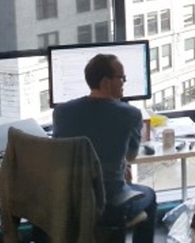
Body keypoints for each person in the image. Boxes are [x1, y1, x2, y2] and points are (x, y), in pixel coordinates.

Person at [53, 54, 156, 243]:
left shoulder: (62, 112)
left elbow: (59, 152)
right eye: (121, 78)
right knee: (150, 194)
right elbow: (131, 156)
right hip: (110, 204)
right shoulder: (130, 114)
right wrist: (120, 164)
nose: (124, 82)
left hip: (72, 203)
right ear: (105, 82)